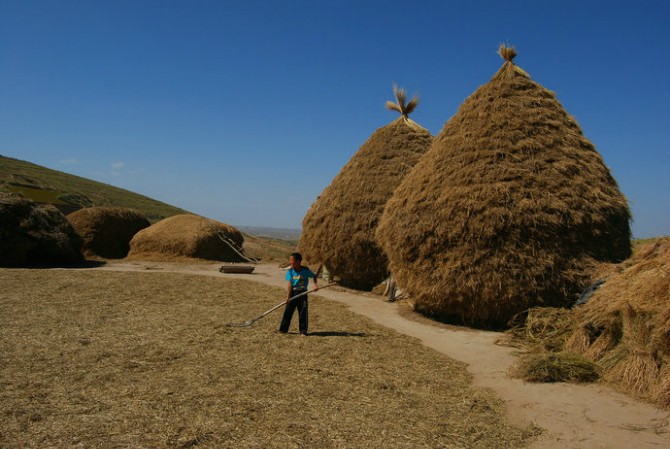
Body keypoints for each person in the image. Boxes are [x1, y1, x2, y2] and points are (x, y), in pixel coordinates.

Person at [279, 252, 318, 336]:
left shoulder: (305, 270)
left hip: (303, 293)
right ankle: (283, 330)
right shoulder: (290, 271)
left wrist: (315, 285)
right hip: (293, 293)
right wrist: (288, 297)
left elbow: (314, 276)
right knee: (288, 311)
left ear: (298, 261)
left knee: (303, 312)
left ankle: (303, 331)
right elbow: (289, 285)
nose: (290, 262)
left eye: (291, 260)